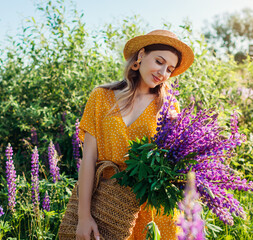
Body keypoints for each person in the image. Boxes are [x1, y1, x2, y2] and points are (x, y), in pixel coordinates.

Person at [76, 29, 194, 240]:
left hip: (153, 210)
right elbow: (88, 161)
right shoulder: (101, 98)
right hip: (109, 205)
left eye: (169, 69)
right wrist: (84, 217)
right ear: (140, 55)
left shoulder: (168, 106)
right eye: (159, 61)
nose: (163, 73)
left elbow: (174, 166)